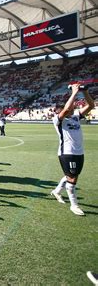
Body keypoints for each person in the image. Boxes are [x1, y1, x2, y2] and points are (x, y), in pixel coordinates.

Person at [50, 84, 94, 216]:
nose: (68, 109)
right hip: (67, 153)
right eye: (61, 109)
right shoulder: (58, 120)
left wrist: (85, 92)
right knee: (72, 179)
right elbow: (67, 108)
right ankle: (74, 205)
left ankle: (57, 191)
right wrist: (74, 92)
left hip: (79, 152)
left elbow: (91, 106)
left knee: (72, 176)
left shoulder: (75, 117)